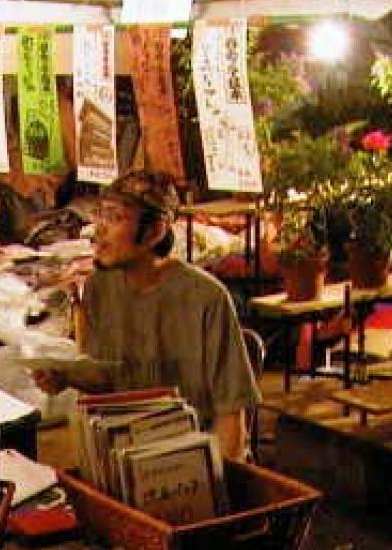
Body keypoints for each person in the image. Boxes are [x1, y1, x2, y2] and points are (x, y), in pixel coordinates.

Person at [35, 170, 259, 462]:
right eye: (100, 214)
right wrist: (64, 376)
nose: (98, 230)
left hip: (193, 455)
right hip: (128, 453)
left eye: (115, 217)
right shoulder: (98, 287)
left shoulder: (207, 298)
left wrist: (215, 477)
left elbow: (231, 418)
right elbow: (109, 376)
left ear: (155, 232)